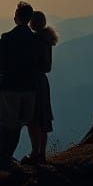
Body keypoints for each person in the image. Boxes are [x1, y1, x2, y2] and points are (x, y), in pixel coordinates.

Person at [0, 1, 43, 168]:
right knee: (19, 124)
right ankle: (9, 157)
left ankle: (3, 159)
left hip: (10, 87)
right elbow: (38, 62)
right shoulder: (34, 39)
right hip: (29, 87)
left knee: (6, 125)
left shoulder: (7, 37)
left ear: (17, 17)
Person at [26, 10, 59, 165]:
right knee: (43, 117)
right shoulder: (47, 40)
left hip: (32, 81)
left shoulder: (34, 40)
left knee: (33, 118)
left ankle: (35, 152)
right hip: (43, 82)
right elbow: (47, 67)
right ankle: (42, 153)